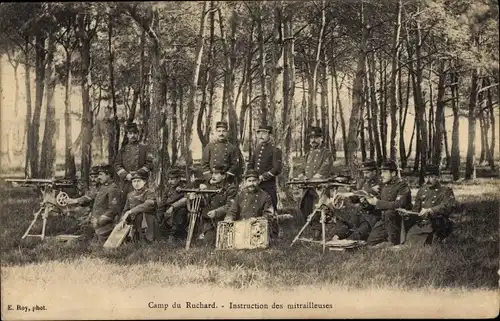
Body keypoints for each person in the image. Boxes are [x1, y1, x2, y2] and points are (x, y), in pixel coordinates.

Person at [404, 164, 457, 246]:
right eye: (426, 177)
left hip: (438, 223)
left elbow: (448, 206)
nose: (428, 180)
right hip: (423, 223)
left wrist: (430, 210)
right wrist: (408, 213)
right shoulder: (422, 190)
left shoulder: (446, 190)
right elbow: (416, 209)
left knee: (426, 240)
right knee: (410, 236)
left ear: (438, 177)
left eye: (431, 177)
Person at [329, 159, 381, 241]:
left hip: (372, 216)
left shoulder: (380, 183)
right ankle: (338, 238)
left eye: (367, 173)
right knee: (346, 228)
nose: (365, 175)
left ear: (374, 172)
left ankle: (348, 242)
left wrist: (354, 193)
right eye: (364, 173)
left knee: (360, 232)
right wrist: (351, 194)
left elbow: (367, 194)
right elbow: (355, 199)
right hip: (360, 214)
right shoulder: (364, 182)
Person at [364, 160, 412, 246]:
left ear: (393, 173)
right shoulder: (383, 185)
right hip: (384, 220)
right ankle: (386, 241)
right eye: (381, 172)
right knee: (370, 242)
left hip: (398, 221)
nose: (382, 175)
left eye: (385, 172)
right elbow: (374, 196)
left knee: (390, 213)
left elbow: (398, 204)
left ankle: (393, 241)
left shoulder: (402, 186)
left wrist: (377, 203)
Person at [247, 124, 282, 238]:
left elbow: (277, 168)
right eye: (259, 133)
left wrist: (263, 177)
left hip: (268, 185)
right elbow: (251, 164)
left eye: (264, 133)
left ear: (270, 135)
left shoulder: (275, 150)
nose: (260, 135)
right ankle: (257, 234)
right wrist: (250, 176)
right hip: (256, 185)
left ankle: (274, 234)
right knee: (256, 208)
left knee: (270, 208)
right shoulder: (257, 148)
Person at [297, 126, 334, 221]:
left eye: (316, 138)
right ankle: (310, 228)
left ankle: (320, 230)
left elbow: (325, 169)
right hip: (307, 188)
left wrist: (314, 179)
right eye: (311, 138)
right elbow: (301, 168)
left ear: (321, 139)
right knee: (305, 208)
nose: (313, 140)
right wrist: (302, 176)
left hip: (319, 187)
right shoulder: (307, 154)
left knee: (320, 209)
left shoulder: (327, 153)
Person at [114, 121, 154, 208]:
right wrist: (126, 175)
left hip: (141, 180)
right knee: (125, 203)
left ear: (138, 134)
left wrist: (138, 174)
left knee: (141, 202)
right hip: (127, 182)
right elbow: (117, 165)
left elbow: (149, 164)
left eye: (135, 133)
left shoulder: (145, 148)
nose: (133, 135)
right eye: (130, 133)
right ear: (127, 135)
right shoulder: (123, 150)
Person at [197, 165, 238, 247]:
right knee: (204, 243)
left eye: (216, 174)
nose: (213, 176)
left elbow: (230, 206)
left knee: (210, 244)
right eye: (212, 173)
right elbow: (203, 204)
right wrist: (200, 194)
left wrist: (216, 212)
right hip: (207, 221)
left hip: (221, 221)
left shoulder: (230, 188)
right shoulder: (209, 186)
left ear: (224, 176)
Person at [119, 171, 158, 243]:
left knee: (148, 242)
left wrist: (130, 211)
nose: (136, 183)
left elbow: (149, 204)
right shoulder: (130, 195)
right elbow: (125, 209)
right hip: (134, 221)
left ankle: (147, 239)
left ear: (144, 182)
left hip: (147, 221)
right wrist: (123, 219)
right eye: (134, 181)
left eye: (138, 181)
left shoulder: (149, 192)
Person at [89, 164, 122, 243]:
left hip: (106, 226)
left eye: (101, 175)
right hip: (96, 224)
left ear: (108, 175)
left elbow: (113, 210)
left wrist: (98, 221)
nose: (98, 177)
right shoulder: (103, 187)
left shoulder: (113, 189)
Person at [157, 168, 189, 242]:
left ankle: (174, 235)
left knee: (181, 212)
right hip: (168, 212)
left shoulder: (185, 187)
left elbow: (186, 199)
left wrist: (173, 207)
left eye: (172, 179)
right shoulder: (168, 189)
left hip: (180, 211)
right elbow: (162, 203)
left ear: (178, 178)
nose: (169, 181)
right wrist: (159, 216)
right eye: (168, 179)